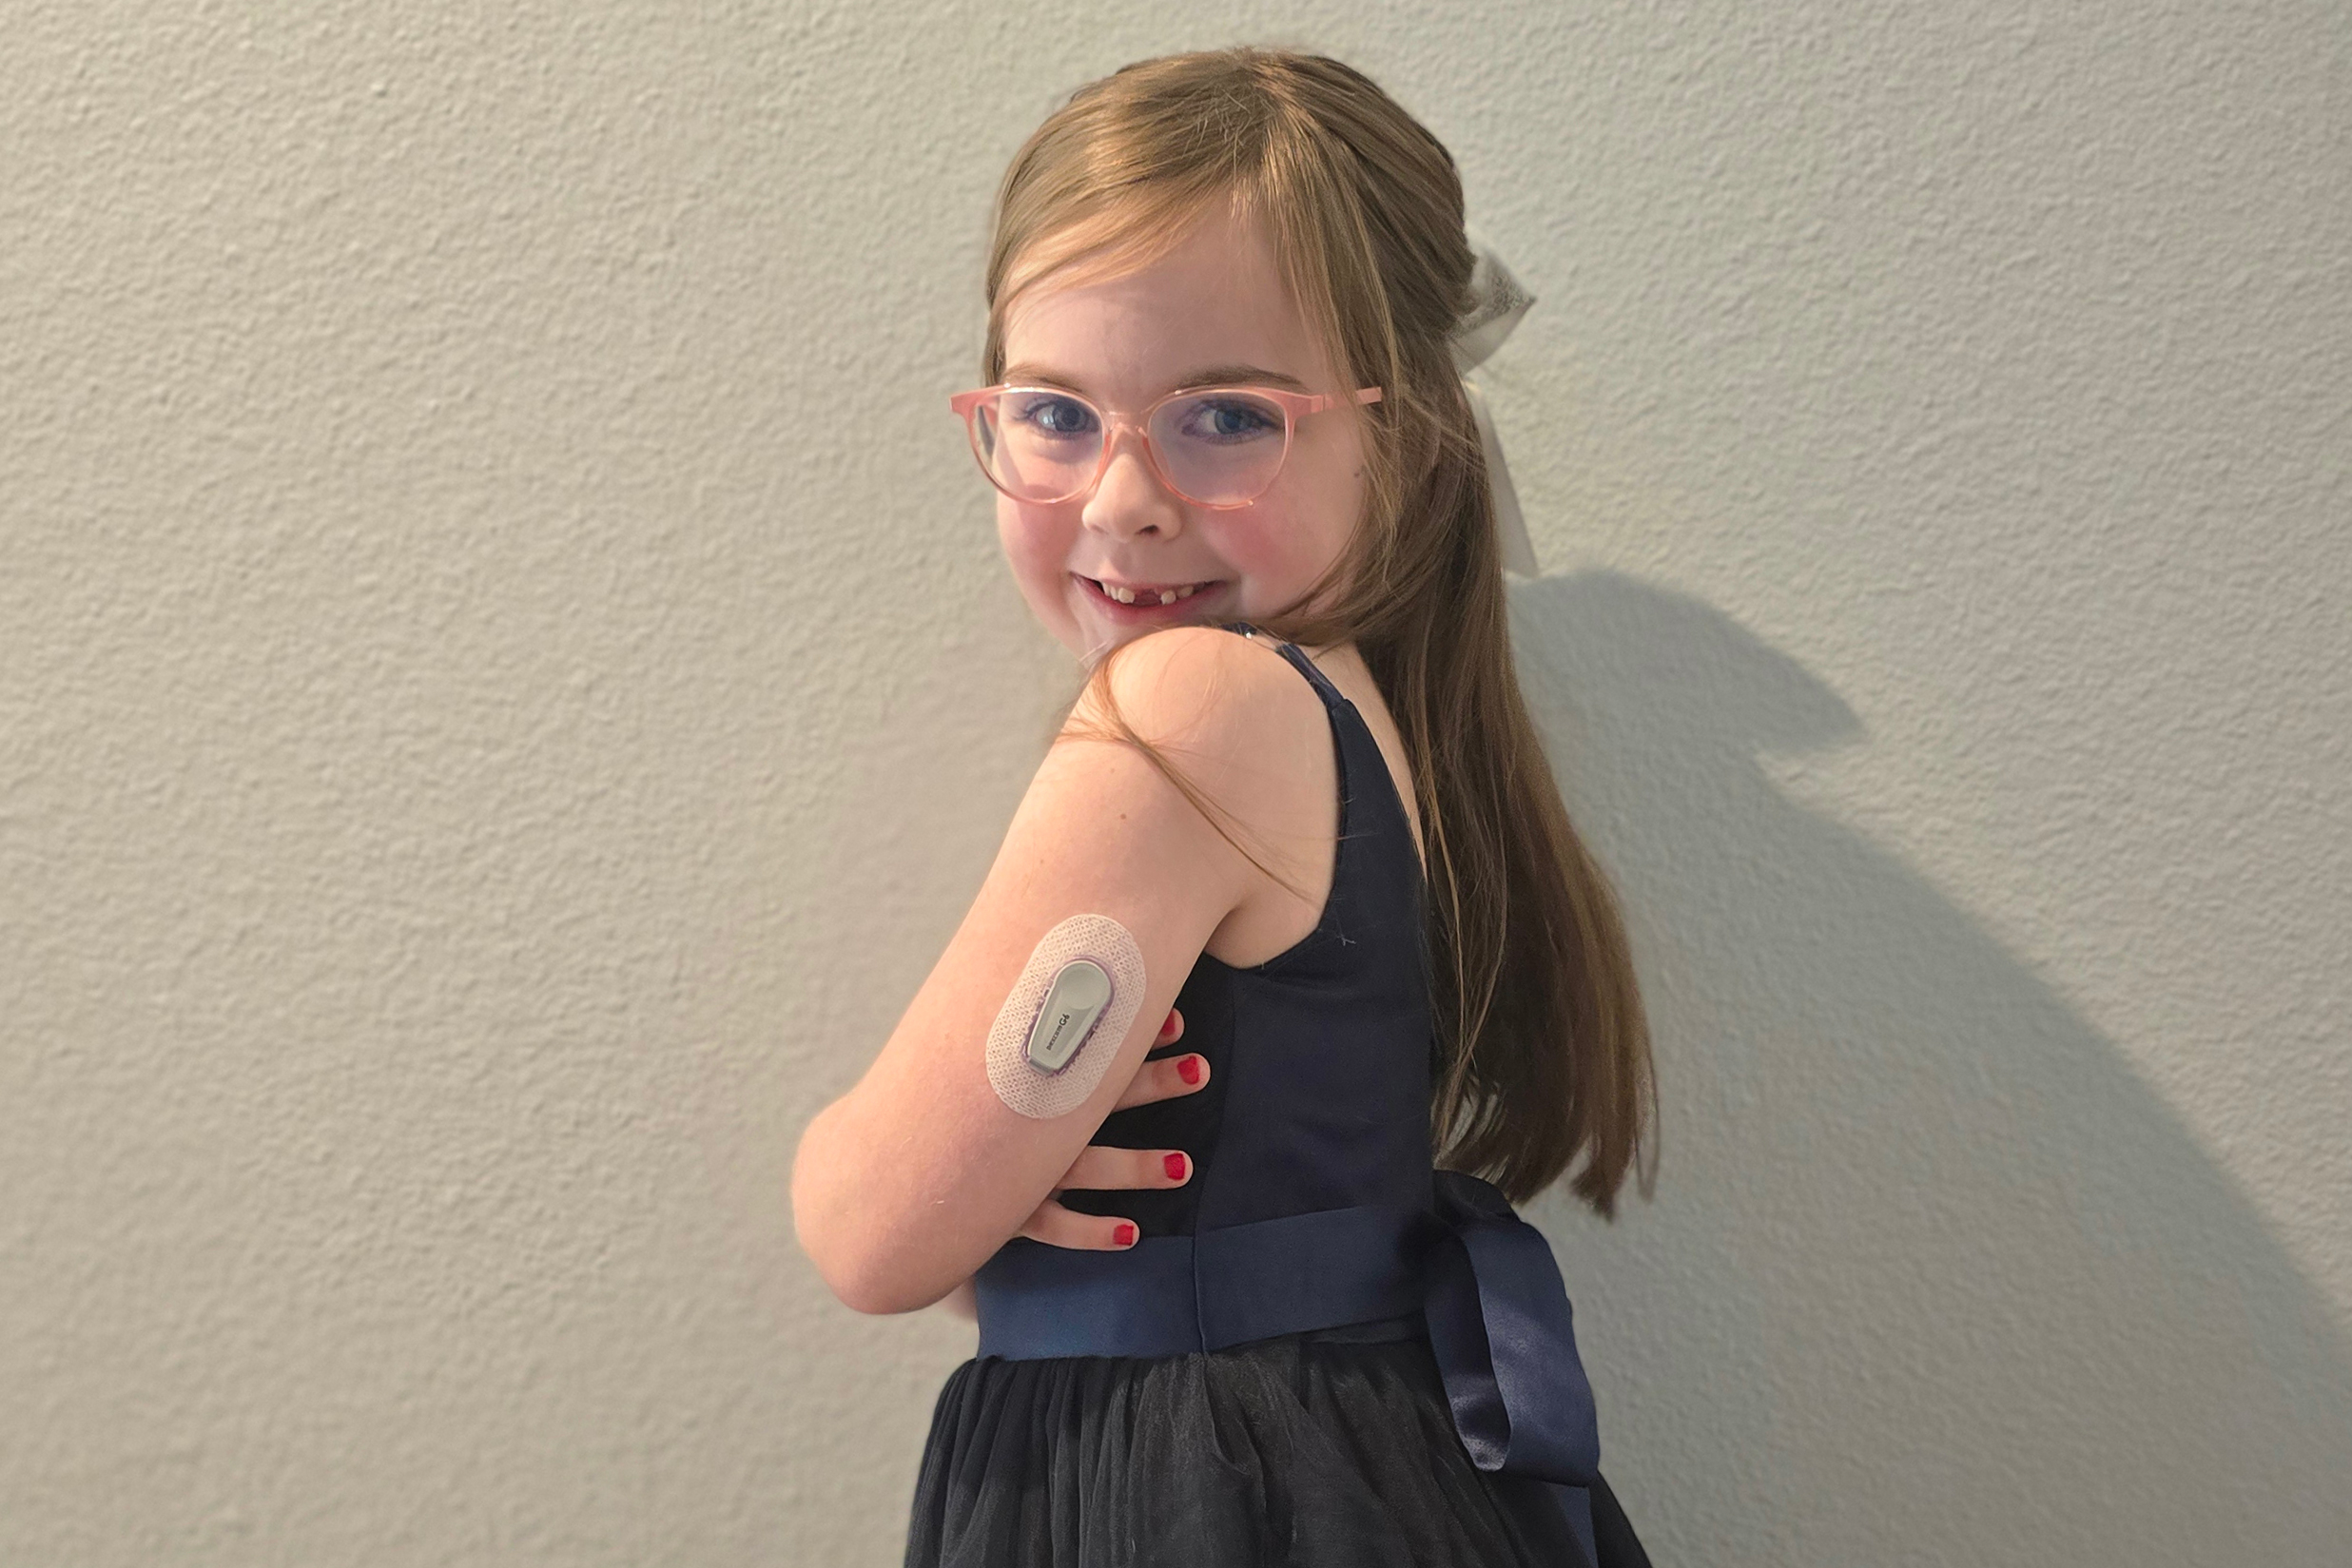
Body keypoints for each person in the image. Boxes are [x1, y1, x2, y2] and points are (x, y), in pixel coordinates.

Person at [792, 47, 1658, 1568]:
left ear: (1403, 435)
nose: (1121, 498)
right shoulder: (1347, 700)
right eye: (1053, 412)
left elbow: (875, 1234)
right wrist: (995, 1193)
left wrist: (882, 1177)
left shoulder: (1191, 707)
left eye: (1226, 418)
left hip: (1204, 1485)